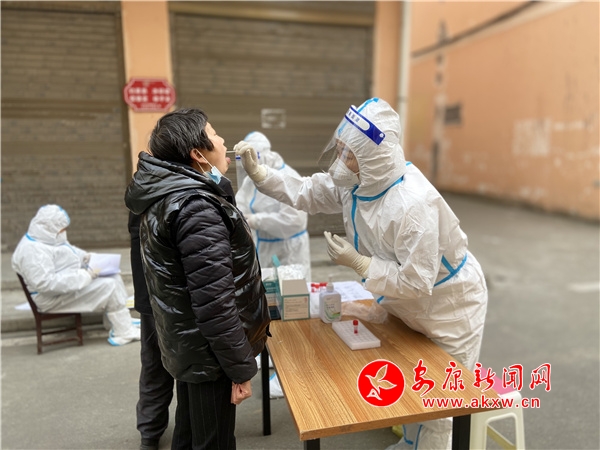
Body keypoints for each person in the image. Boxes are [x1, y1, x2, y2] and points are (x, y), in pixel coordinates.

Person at [235, 98, 488, 450]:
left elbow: (417, 281)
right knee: (412, 380)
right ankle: (411, 444)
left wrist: (361, 264)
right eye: (339, 149)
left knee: (440, 399)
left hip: (449, 307)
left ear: (373, 158)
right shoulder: (359, 182)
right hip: (404, 300)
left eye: (349, 154)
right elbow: (308, 191)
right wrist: (262, 175)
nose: (341, 161)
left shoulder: (412, 206)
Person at [124, 108, 271, 450]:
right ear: (197, 154)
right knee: (212, 441)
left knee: (190, 435)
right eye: (214, 134)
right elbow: (215, 303)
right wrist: (240, 368)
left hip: (191, 345)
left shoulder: (168, 196)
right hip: (209, 355)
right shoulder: (196, 208)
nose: (222, 140)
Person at [11, 204, 140, 346]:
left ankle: (118, 322)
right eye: (62, 230)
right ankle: (123, 331)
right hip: (51, 299)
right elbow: (46, 284)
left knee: (113, 276)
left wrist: (86, 258)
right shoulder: (32, 252)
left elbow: (67, 251)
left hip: (65, 287)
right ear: (51, 228)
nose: (64, 232)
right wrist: (85, 276)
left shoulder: (46, 237)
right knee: (110, 286)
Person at [235, 131, 311, 279]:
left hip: (288, 250)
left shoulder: (288, 176)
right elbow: (242, 202)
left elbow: (294, 220)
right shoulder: (251, 178)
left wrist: (256, 220)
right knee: (267, 287)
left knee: (291, 289)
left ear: (262, 155)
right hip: (262, 245)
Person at [129, 212, 174, 450]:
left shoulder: (141, 196)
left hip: (156, 294)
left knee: (156, 364)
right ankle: (150, 432)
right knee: (158, 363)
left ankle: (151, 431)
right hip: (164, 294)